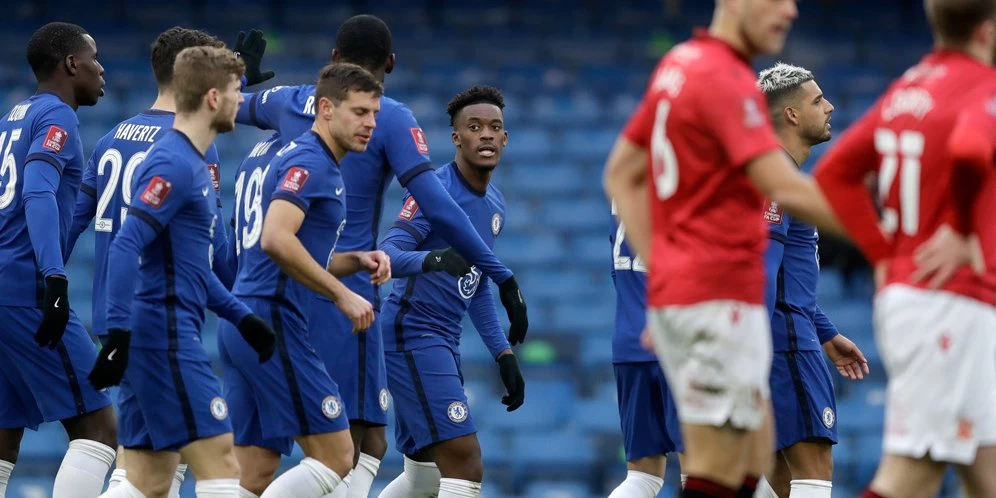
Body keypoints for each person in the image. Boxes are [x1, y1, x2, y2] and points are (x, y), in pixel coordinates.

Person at [232, 18, 528, 496]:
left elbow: (224, 105)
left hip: (282, 288)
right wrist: (502, 275)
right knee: (347, 446)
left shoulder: (289, 100)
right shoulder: (387, 117)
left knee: (320, 449)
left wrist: (240, 76)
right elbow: (438, 210)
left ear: (334, 58)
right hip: (339, 296)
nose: (367, 123)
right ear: (390, 63)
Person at [602, 0, 846, 496]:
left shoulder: (679, 65)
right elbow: (784, 185)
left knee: (749, 458)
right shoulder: (725, 78)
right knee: (720, 467)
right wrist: (888, 237)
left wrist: (665, 281)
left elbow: (620, 175)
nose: (791, 11)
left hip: (699, 298)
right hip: (719, 298)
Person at [813, 1, 996, 496]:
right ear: (986, 31)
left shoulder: (908, 89)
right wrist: (961, 228)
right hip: (948, 299)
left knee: (985, 471)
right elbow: (970, 149)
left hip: (922, 295)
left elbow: (834, 173)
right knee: (912, 473)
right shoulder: (983, 87)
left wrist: (882, 253)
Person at [85, 45, 276, 498]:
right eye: (236, 91)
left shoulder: (192, 161)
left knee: (150, 479)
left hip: (158, 333)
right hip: (165, 337)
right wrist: (118, 334)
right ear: (212, 98)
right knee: (221, 462)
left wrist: (242, 318)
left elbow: (190, 267)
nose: (242, 100)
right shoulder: (175, 162)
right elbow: (127, 242)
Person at [65, 27, 230, 495]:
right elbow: (213, 241)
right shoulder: (190, 141)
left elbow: (72, 224)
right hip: (162, 314)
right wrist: (245, 297)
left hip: (115, 312)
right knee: (209, 459)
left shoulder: (112, 137)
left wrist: (45, 277)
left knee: (155, 461)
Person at [220, 62, 391, 498]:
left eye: (375, 113)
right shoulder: (311, 161)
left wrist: (353, 261)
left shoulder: (285, 156)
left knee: (254, 471)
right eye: (359, 112)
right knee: (337, 455)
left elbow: (294, 253)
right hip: (272, 319)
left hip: (243, 317)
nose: (371, 124)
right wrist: (342, 295)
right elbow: (276, 239)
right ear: (326, 108)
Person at [377, 85, 526, 498]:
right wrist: (432, 259)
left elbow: (475, 285)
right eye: (474, 127)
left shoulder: (495, 204)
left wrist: (503, 353)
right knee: (465, 462)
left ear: (505, 138)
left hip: (442, 338)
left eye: (494, 127)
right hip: (412, 333)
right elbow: (388, 254)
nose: (486, 135)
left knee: (424, 475)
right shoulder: (434, 191)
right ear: (456, 138)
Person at [0, 21, 117, 498]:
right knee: (99, 429)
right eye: (94, 58)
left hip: (3, 288)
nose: (101, 68)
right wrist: (53, 277)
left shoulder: (13, 116)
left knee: (4, 434)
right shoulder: (57, 116)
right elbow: (37, 192)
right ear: (72, 63)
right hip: (26, 289)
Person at [753, 62, 869, 498]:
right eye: (818, 100)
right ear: (791, 114)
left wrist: (824, 331)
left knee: (779, 481)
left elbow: (782, 274)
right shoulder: (775, 182)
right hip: (785, 345)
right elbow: (760, 273)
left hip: (787, 335)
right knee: (813, 473)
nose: (830, 106)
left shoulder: (776, 176)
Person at [607, 197, 684, 498]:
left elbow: (615, 272)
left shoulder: (623, 188)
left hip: (629, 340)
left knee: (642, 476)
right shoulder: (680, 180)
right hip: (680, 338)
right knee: (703, 470)